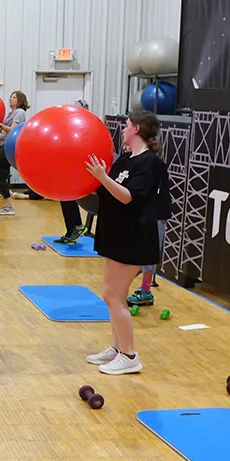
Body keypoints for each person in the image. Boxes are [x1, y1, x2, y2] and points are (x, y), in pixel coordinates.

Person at [83, 110, 166, 375]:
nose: (123, 129)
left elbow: (128, 196)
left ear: (137, 129)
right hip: (114, 234)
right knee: (114, 297)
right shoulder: (126, 159)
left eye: (127, 125)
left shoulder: (149, 163)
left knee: (112, 296)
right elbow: (107, 190)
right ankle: (117, 348)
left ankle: (129, 355)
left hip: (133, 238)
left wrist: (102, 177)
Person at [128, 157, 171, 307]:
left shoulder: (155, 165)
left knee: (149, 255)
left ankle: (145, 291)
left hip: (155, 215)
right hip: (144, 213)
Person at [0, 90, 29, 215]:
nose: (11, 99)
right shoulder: (10, 114)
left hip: (9, 147)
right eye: (10, 97)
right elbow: (0, 130)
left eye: (14, 97)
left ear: (20, 100)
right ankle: (9, 207)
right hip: (3, 145)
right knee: (2, 177)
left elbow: (13, 130)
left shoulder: (20, 112)